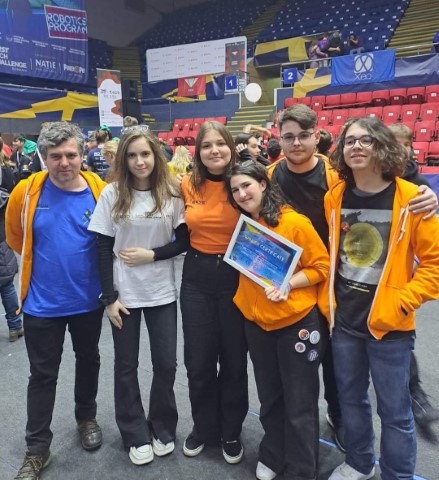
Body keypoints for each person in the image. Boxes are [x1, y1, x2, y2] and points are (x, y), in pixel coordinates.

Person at [267, 105, 439, 453]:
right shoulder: (271, 174)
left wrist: (426, 192)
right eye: (289, 137)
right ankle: (311, 425)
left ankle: (341, 417)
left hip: (344, 281)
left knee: (343, 366)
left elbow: (392, 181)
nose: (296, 143)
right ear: (279, 139)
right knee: (311, 361)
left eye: (304, 135)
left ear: (317, 136)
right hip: (302, 281)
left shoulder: (335, 176)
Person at [323, 117, 439, 480]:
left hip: (390, 327)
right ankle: (359, 463)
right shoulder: (334, 196)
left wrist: (403, 301)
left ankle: (397, 475)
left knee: (395, 412)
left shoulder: (412, 198)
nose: (356, 146)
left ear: (382, 147)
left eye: (366, 140)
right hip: (345, 322)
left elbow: (435, 265)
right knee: (351, 400)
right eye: (349, 141)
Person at [6, 122, 107, 480]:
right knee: (42, 375)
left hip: (88, 302)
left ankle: (86, 417)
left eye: (70, 155)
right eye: (55, 156)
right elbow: (16, 236)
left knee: (88, 360)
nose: (64, 163)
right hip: (41, 304)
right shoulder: (27, 191)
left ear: (81, 155)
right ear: (44, 158)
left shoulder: (98, 189)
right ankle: (37, 449)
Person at [88, 130, 188, 466]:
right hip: (124, 294)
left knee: (166, 364)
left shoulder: (171, 193)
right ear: (123, 159)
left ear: (155, 156)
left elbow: (183, 241)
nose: (139, 161)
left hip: (161, 292)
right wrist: (109, 298)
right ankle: (134, 432)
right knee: (126, 365)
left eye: (145, 154)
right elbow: (102, 246)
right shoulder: (112, 192)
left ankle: (162, 425)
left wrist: (153, 255)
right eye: (132, 155)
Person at [225, 161, 330, 480]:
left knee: (300, 401)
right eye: (235, 190)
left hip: (296, 323)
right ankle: (273, 454)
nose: (242, 194)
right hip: (258, 325)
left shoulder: (294, 222)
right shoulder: (245, 225)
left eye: (247, 185)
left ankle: (302, 468)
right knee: (269, 397)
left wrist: (289, 284)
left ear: (263, 184)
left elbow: (321, 266)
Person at [180, 121, 248, 464]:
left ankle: (231, 430)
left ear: (231, 147)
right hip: (196, 279)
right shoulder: (187, 184)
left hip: (237, 277)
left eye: (220, 144)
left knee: (234, 360)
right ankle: (204, 427)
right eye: (206, 145)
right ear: (198, 152)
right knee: (199, 361)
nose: (214, 151)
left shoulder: (244, 182)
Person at [389, 122, 439, 426]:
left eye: (403, 145)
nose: (397, 150)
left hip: (399, 280)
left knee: (399, 337)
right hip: (361, 275)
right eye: (391, 144)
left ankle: (415, 392)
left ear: (411, 149)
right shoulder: (363, 177)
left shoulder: (419, 186)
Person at [0, 137, 22, 342]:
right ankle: (15, 325)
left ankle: (16, 325)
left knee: (6, 285)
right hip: (3, 233)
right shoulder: (8, 170)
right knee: (6, 284)